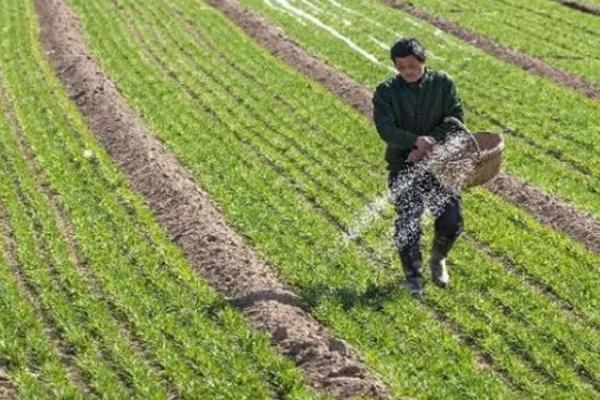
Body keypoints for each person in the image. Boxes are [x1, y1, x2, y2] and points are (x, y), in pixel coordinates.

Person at [372, 37, 464, 296]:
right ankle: (412, 275)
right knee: (408, 222)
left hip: (439, 163)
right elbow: (386, 129)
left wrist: (430, 141)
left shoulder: (443, 84)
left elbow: (455, 119)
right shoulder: (386, 92)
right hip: (404, 165)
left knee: (452, 218)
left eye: (412, 66)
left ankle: (438, 258)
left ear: (424, 61)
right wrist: (414, 142)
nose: (407, 72)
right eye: (400, 67)